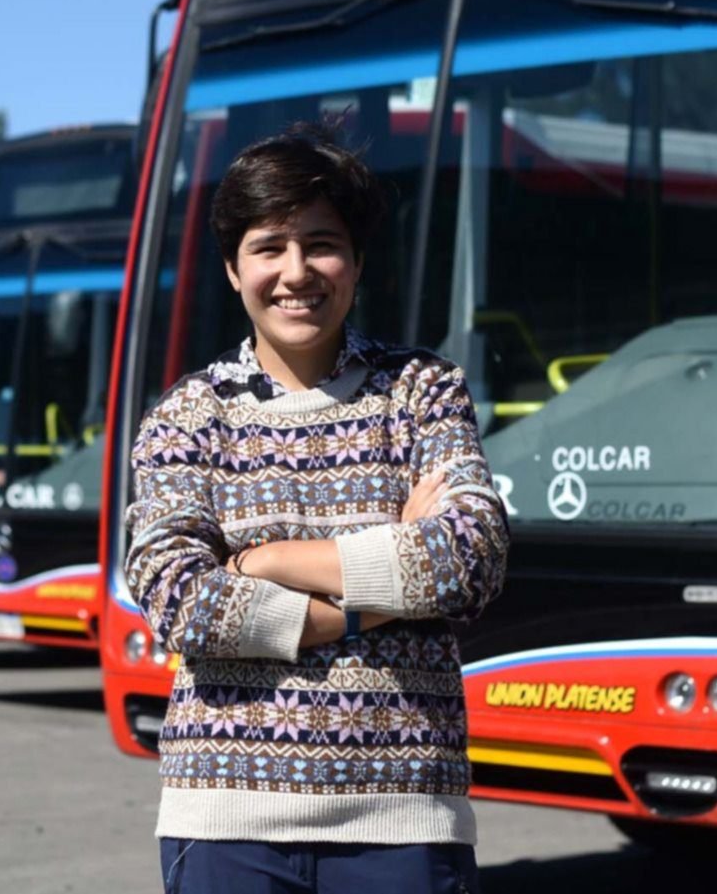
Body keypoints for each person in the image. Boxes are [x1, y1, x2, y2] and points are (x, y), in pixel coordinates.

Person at [124, 123, 509, 894]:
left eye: (321, 243)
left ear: (358, 262)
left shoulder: (423, 390)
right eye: (269, 246)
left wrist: (267, 563)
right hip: (226, 823)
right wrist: (376, 591)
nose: (296, 272)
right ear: (233, 269)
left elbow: (472, 557)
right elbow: (178, 599)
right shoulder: (186, 417)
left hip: (403, 818)